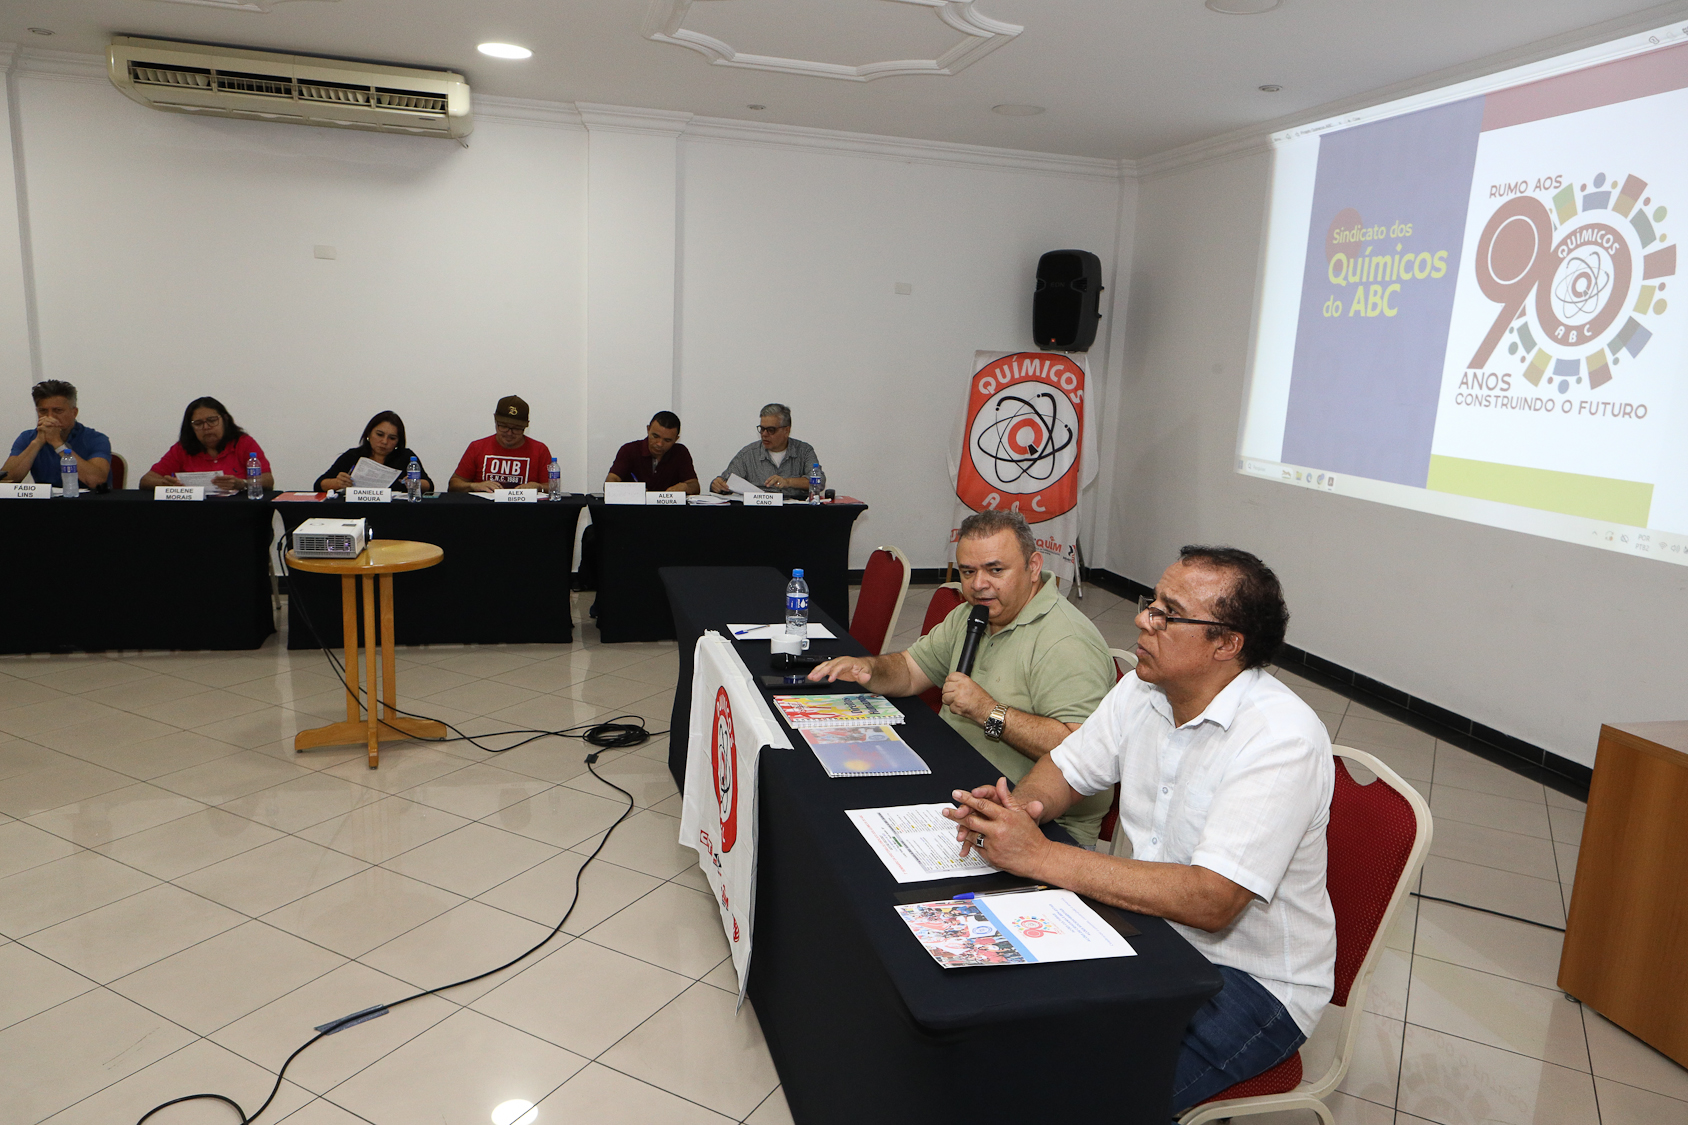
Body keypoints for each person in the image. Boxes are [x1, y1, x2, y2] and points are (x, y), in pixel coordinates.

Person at [941, 546, 1335, 1113]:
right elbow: (1068, 766)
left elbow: (1212, 900)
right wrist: (1018, 812)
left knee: (1073, 1099)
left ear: (1226, 644)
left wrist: (1039, 857)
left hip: (1250, 984)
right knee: (999, 1027)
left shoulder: (1281, 739)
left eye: (1166, 614)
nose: (1142, 620)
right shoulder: (1145, 689)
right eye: (1151, 603)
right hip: (1146, 933)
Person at [809, 510, 1117, 845]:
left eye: (995, 570)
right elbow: (911, 671)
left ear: (1034, 566)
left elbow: (1083, 752)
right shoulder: (972, 615)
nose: (978, 584)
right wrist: (870, 669)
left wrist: (988, 711)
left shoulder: (1066, 642)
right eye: (968, 571)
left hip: (1042, 827)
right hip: (958, 784)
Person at [139, 397, 273, 492]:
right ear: (191, 428)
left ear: (224, 420)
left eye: (212, 420)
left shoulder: (243, 443)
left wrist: (242, 483)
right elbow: (146, 480)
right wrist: (165, 484)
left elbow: (268, 480)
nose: (206, 427)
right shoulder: (182, 448)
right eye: (198, 423)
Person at [4, 380, 112, 489]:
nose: (50, 416)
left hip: (86, 503)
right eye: (43, 411)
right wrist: (37, 442)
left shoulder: (96, 439)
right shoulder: (27, 438)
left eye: (58, 410)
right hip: (44, 504)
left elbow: (97, 481)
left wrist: (58, 444)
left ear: (74, 413)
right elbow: (6, 481)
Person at [709, 403, 824, 499]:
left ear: (786, 430)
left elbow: (819, 482)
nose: (764, 434)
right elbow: (725, 481)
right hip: (758, 514)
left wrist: (788, 482)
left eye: (771, 430)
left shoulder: (804, 451)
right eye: (762, 429)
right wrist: (718, 485)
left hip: (794, 514)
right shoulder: (748, 454)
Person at [449, 395, 552, 492]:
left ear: (526, 426)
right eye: (503, 426)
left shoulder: (539, 450)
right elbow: (454, 485)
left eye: (516, 428)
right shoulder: (477, 447)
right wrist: (474, 485)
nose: (509, 433)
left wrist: (538, 487)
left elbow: (553, 488)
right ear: (495, 420)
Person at [316, 411, 432, 493]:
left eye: (392, 438)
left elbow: (429, 486)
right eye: (379, 435)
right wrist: (337, 483)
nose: (384, 441)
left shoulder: (406, 457)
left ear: (398, 441)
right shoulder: (353, 456)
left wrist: (415, 483)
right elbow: (319, 485)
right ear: (369, 434)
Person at [605, 410, 699, 494]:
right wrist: (633, 490)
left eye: (667, 440)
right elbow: (610, 483)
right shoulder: (629, 450)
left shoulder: (680, 452)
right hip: (633, 510)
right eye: (655, 436)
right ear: (648, 429)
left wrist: (685, 487)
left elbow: (695, 486)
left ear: (676, 439)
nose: (659, 444)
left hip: (668, 511)